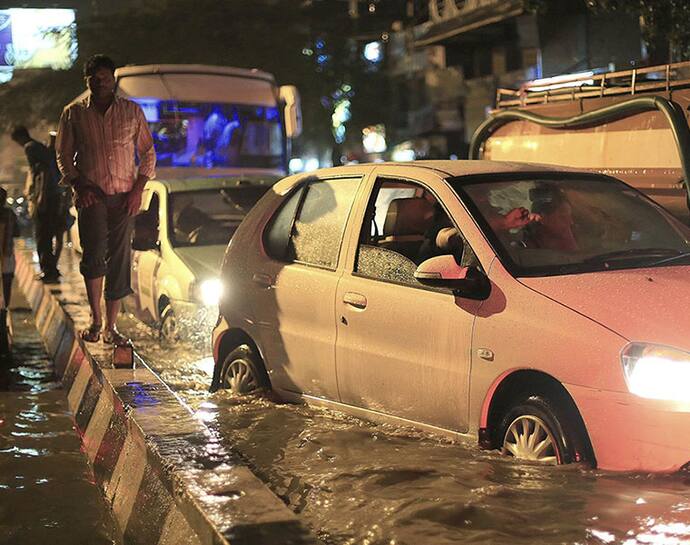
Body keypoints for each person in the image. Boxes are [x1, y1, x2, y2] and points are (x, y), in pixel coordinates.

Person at [56, 54, 156, 346]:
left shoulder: (132, 112)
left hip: (125, 197)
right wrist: (78, 185)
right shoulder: (73, 113)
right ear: (87, 81)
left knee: (120, 259)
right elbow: (63, 155)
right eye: (93, 79)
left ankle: (112, 327)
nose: (99, 83)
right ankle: (96, 320)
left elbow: (148, 153)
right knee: (94, 254)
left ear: (113, 79)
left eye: (104, 77)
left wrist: (138, 189)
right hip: (91, 196)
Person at [10, 125, 63, 283]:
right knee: (49, 234)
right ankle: (51, 269)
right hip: (52, 196)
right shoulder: (39, 147)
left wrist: (40, 198)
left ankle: (48, 271)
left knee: (42, 235)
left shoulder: (30, 148)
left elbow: (41, 173)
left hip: (45, 198)